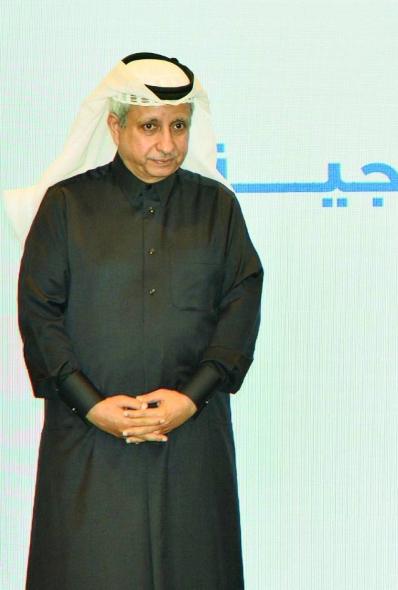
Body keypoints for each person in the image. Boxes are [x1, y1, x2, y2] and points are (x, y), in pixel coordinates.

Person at [10, 53, 263, 590]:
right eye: (150, 126)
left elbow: (240, 305)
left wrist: (191, 398)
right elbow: (39, 313)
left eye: (179, 126)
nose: (167, 144)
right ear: (114, 126)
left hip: (190, 438)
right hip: (89, 441)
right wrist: (92, 405)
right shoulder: (66, 207)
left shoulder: (216, 207)